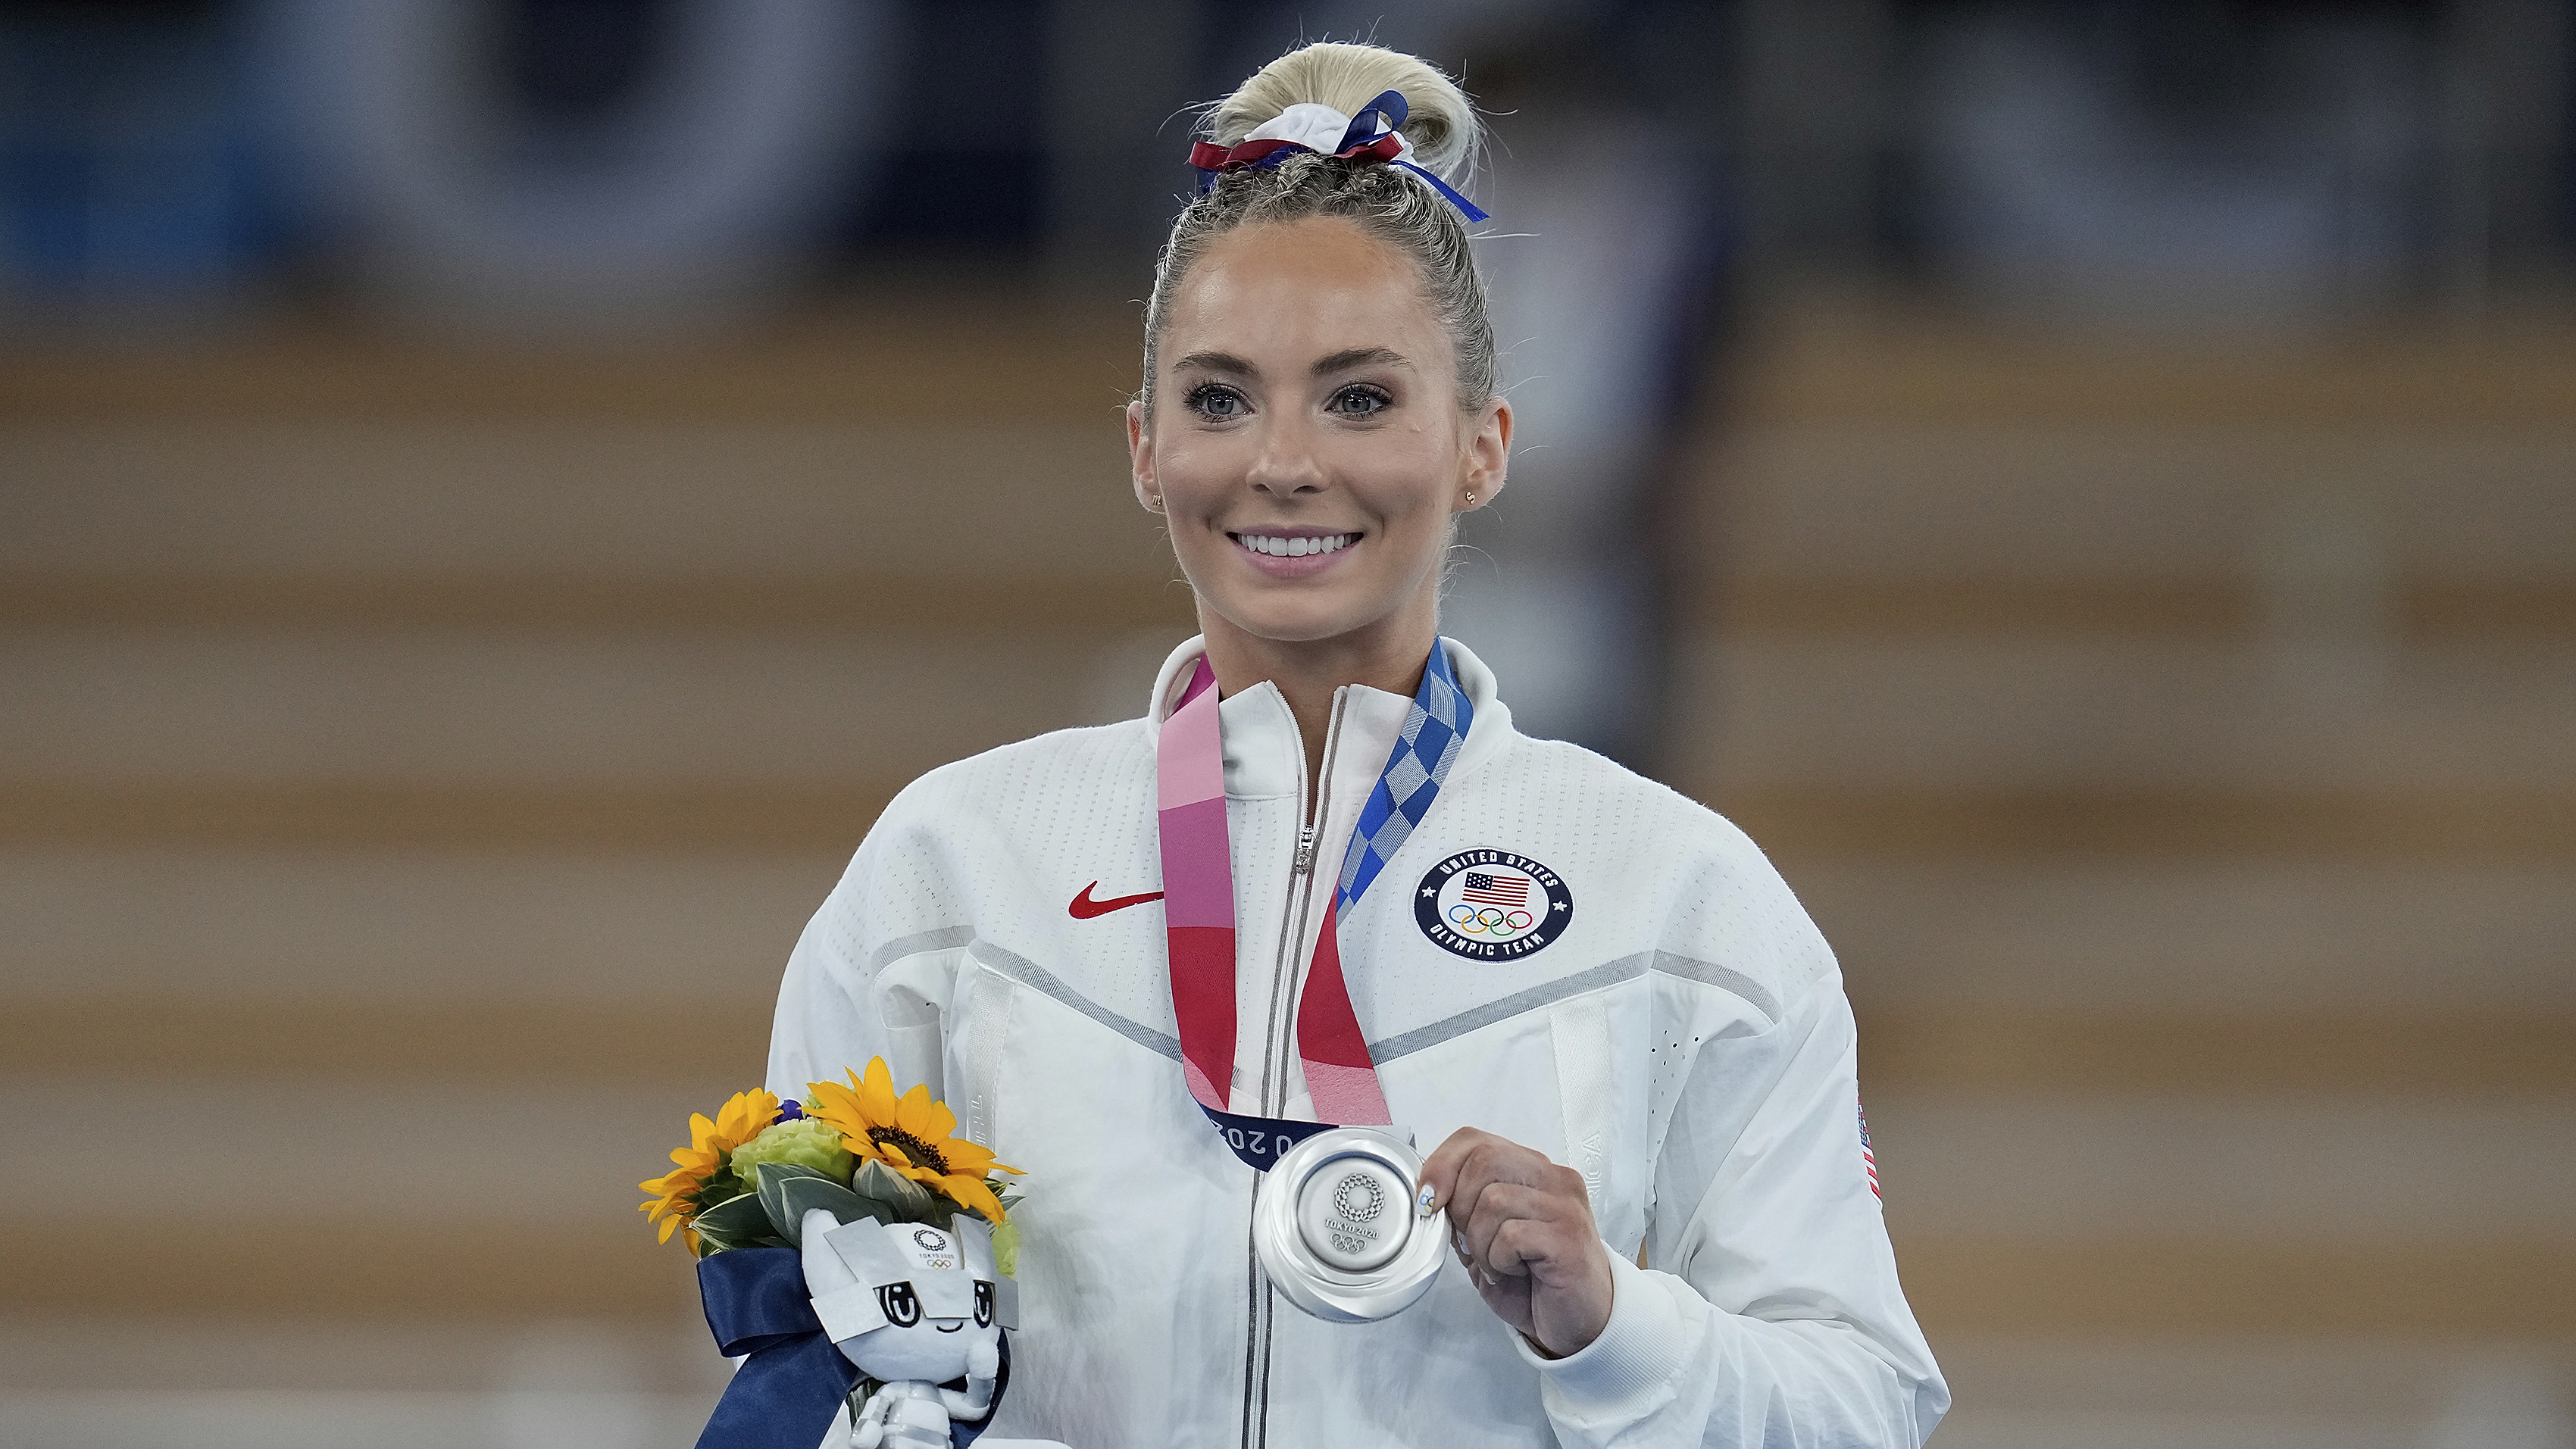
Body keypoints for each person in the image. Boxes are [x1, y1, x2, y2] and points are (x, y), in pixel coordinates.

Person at [767, 39, 1947, 1449]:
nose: (1285, 460)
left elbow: (1864, 1404)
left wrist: (1615, 1321)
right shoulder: (952, 875)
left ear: (1483, 444)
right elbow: (811, 1359)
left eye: (1361, 396)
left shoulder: (1683, 897)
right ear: (1144, 449)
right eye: (1219, 397)